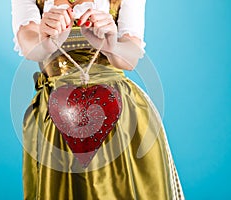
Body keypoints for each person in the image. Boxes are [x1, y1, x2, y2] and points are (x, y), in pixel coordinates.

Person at [11, 0, 185, 199]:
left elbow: (130, 57)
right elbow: (28, 44)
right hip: (60, 112)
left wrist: (112, 45)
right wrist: (46, 41)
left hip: (121, 113)